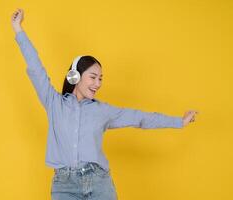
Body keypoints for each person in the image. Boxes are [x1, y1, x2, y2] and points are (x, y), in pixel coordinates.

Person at [11, 8, 198, 200]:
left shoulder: (103, 110)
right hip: (64, 185)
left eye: (100, 78)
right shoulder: (54, 103)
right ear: (75, 76)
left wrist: (179, 122)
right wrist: (18, 30)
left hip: (98, 182)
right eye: (93, 77)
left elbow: (140, 118)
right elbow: (36, 69)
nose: (98, 84)